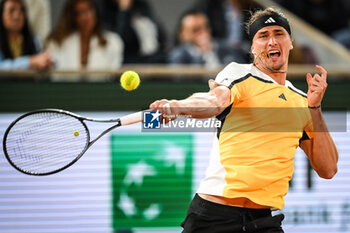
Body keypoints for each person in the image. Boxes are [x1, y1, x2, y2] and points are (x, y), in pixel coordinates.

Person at [150, 7, 338, 233]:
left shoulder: (302, 102)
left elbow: (328, 169)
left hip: (262, 220)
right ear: (252, 48)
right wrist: (178, 107)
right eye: (263, 35)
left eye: (279, 34)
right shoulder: (238, 74)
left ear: (290, 43)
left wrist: (315, 107)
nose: (271, 42)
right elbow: (214, 101)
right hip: (214, 215)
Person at [45, 0, 123, 78]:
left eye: (88, 10)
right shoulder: (56, 41)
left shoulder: (113, 42)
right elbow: (54, 75)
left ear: (96, 11)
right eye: (79, 13)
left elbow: (112, 78)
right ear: (72, 17)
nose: (85, 17)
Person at [169, 10, 249, 68]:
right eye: (195, 30)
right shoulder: (179, 56)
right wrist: (202, 54)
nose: (203, 33)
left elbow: (241, 69)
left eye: (206, 27)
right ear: (182, 34)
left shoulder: (227, 49)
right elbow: (181, 81)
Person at [99, 0, 167, 64]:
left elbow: (161, 36)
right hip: (131, 62)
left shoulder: (142, 6)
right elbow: (118, 40)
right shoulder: (107, 12)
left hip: (154, 58)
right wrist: (123, 10)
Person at [0, 0, 51, 70]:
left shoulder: (35, 41)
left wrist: (47, 61)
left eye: (21, 11)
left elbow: (45, 62)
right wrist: (29, 62)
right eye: (11, 11)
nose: (16, 16)